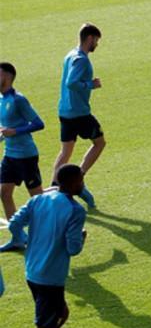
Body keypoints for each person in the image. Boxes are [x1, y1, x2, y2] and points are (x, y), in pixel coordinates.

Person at [6, 164, 87, 328]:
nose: (83, 183)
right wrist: (82, 237)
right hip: (51, 279)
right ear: (72, 184)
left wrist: (31, 240)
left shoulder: (39, 199)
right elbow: (73, 248)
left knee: (62, 313)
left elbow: (14, 224)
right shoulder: (75, 210)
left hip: (32, 271)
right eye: (81, 179)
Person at [53, 23, 104, 209]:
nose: (96, 44)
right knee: (99, 143)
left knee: (65, 152)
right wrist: (91, 85)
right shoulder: (81, 59)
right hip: (79, 113)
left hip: (65, 111)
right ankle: (78, 180)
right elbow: (71, 82)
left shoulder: (70, 54)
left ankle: (54, 187)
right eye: (96, 40)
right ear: (90, 38)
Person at [0, 61, 45, 252]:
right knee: (4, 193)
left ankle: (47, 237)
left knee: (38, 199)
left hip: (26, 156)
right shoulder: (1, 100)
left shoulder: (19, 100)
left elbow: (38, 123)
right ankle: (18, 237)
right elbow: (5, 128)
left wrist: (15, 131)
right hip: (10, 155)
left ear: (8, 76)